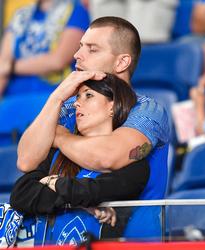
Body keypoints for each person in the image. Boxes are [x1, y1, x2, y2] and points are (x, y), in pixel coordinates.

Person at [17, 16, 169, 238]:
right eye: (80, 47)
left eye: (92, 49)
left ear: (122, 62)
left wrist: (58, 136)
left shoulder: (148, 109)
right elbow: (26, 160)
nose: (77, 55)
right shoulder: (69, 107)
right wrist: (57, 96)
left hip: (131, 240)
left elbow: (109, 157)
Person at [9, 74, 150, 246]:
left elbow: (91, 192)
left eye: (88, 95)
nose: (76, 103)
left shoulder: (134, 164)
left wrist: (51, 182)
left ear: (112, 106)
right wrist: (81, 205)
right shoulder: (57, 153)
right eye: (77, 97)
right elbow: (21, 194)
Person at [0, 0, 90, 97]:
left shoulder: (76, 11)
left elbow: (58, 61)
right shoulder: (20, 14)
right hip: (12, 97)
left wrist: (11, 67)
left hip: (53, 97)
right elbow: (3, 64)